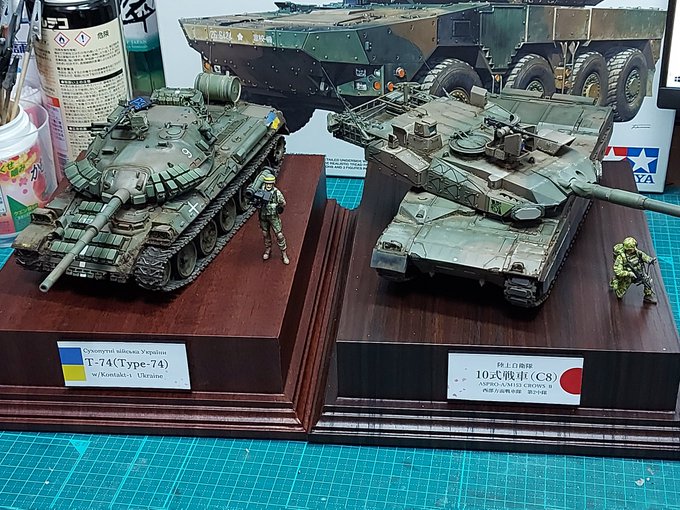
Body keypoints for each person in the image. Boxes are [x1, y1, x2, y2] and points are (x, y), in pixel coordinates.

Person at [610, 236, 656, 304]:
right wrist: (628, 274)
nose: (630, 251)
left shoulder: (637, 253)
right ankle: (615, 282)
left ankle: (648, 296)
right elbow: (617, 270)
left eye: (631, 249)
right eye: (629, 250)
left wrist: (650, 260)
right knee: (619, 294)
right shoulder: (621, 257)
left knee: (647, 281)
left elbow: (644, 256)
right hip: (627, 276)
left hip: (638, 273)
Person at [258, 174, 289, 265]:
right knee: (265, 233)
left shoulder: (276, 193)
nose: (268, 185)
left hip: (273, 217)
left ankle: (284, 253)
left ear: (273, 184)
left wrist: (275, 205)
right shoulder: (261, 191)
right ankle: (268, 249)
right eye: (267, 183)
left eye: (270, 184)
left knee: (279, 235)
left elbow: (283, 203)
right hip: (263, 215)